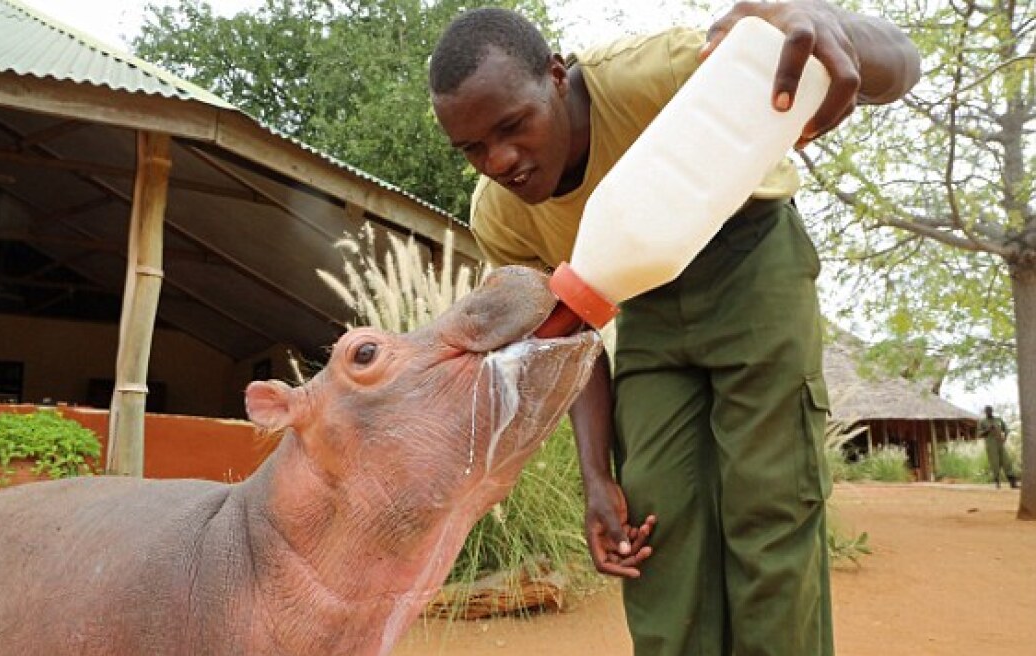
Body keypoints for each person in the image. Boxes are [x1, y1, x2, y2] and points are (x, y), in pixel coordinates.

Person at [428, 3, 920, 655]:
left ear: (555, 75)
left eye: (513, 126)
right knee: (655, 523)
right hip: (644, 307)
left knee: (769, 512)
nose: (500, 160)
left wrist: (830, 24)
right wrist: (596, 476)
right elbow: (568, 335)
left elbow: (901, 64)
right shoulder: (502, 217)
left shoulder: (652, 76)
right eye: (473, 149)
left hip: (750, 258)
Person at [978, 405, 1019, 489]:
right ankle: (997, 482)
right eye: (987, 411)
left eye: (990, 411)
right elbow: (979, 434)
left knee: (1007, 461)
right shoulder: (982, 422)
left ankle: (1013, 483)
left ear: (992, 411)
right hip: (990, 445)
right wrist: (988, 430)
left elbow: (1006, 429)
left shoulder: (998, 420)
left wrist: (1005, 437)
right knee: (995, 463)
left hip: (1000, 443)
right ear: (985, 412)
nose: (989, 412)